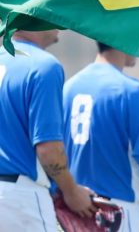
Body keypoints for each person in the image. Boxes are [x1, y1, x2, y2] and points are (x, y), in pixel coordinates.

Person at [62, 42, 139, 232]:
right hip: (117, 210)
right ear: (121, 38)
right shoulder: (132, 90)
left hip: (76, 210)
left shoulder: (69, 88)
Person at [0, 29, 95, 231]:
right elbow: (48, 150)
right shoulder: (43, 65)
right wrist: (71, 191)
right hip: (20, 200)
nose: (59, 24)